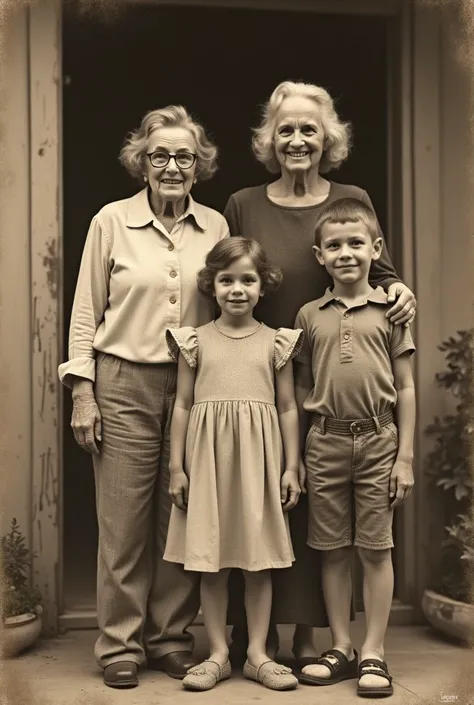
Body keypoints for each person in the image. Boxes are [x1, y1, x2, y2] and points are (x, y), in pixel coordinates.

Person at [223, 80, 417, 668]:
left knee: (322, 517)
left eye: (310, 128)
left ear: (327, 137)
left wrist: (401, 288)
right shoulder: (243, 203)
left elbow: (377, 269)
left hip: (332, 378)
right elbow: (226, 281)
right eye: (286, 129)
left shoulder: (351, 195)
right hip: (261, 377)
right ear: (269, 140)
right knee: (270, 500)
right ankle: (249, 635)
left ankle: (316, 635)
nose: (298, 139)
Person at [58, 105, 229, 689]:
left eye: (184, 156)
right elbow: (86, 311)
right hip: (123, 379)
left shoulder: (216, 227)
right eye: (160, 156)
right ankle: (120, 646)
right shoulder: (111, 220)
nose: (172, 166)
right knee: (124, 520)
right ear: (141, 161)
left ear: (200, 165)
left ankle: (169, 638)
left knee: (178, 514)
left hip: (193, 384)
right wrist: (84, 390)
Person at [163, 237, 302, 692]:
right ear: (211, 285)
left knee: (259, 563)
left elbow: (286, 407)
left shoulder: (276, 342)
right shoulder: (194, 341)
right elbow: (182, 404)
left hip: (260, 464)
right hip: (208, 465)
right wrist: (177, 467)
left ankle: (258, 653)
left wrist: (290, 466)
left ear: (264, 286)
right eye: (226, 279)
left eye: (248, 279)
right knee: (212, 563)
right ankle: (219, 653)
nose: (237, 289)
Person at [295, 197, 415, 697]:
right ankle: (340, 646)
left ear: (376, 248)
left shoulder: (392, 310)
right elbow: (300, 388)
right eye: (335, 246)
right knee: (331, 549)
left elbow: (405, 386)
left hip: (378, 440)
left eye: (356, 243)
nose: (346, 253)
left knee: (375, 547)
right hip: (324, 442)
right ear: (319, 255)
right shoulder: (309, 315)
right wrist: (301, 449)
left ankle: (374, 651)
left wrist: (404, 456)